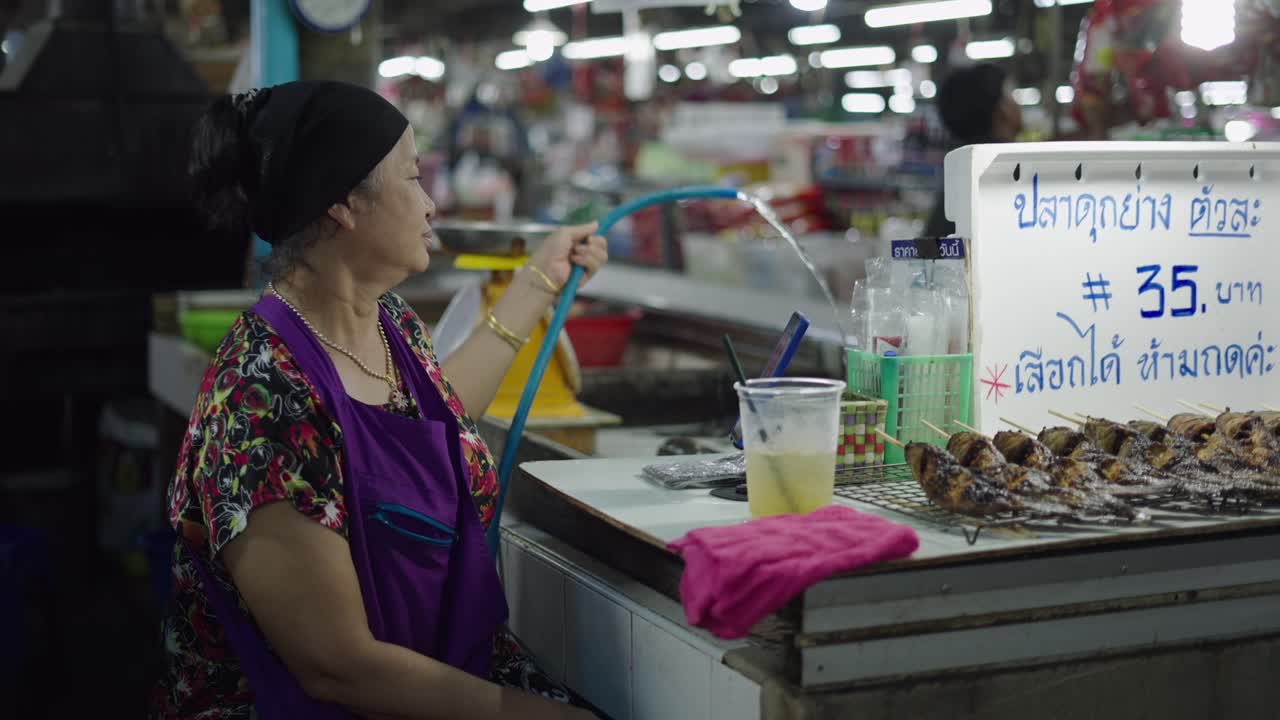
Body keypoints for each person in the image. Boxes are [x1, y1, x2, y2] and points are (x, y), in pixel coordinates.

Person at [150, 80, 608, 719]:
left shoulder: (387, 322)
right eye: (413, 178)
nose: (430, 203)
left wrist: (539, 281)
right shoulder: (260, 399)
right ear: (343, 204)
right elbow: (339, 669)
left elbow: (435, 418)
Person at [924, 63, 1023, 238]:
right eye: (1010, 94)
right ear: (1002, 110)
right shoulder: (1007, 170)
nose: (1017, 102)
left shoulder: (961, 172)